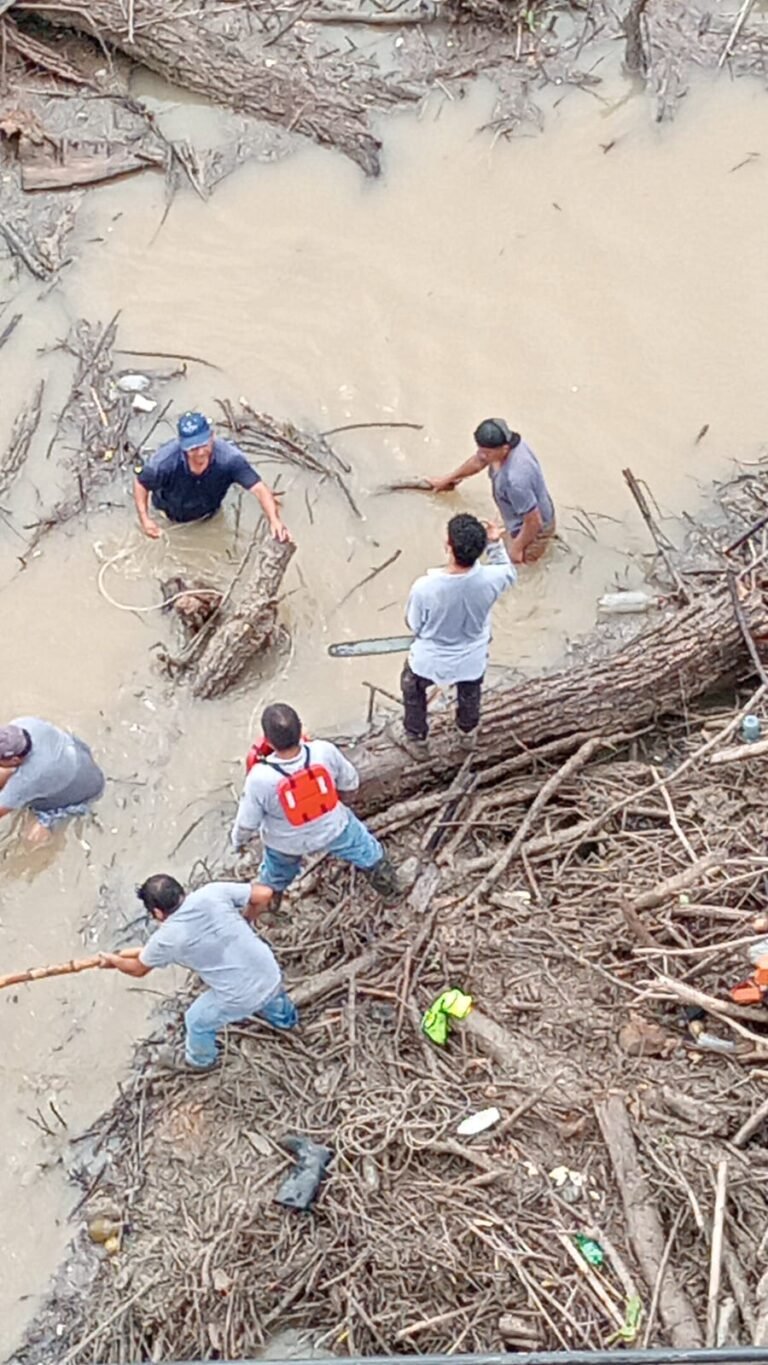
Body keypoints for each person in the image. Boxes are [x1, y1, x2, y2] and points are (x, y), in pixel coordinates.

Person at [99, 875, 296, 1073]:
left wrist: (113, 961)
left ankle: (201, 1061)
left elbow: (137, 969)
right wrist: (246, 918)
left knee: (196, 1020)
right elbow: (264, 894)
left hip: (241, 996)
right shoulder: (213, 892)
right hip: (269, 971)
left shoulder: (165, 939)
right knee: (270, 992)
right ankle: (287, 1022)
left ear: (157, 913)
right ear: (181, 892)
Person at [231, 703, 400, 901]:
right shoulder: (323, 751)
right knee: (370, 854)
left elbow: (246, 824)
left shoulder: (259, 778)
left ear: (267, 740)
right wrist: (343, 806)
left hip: (286, 843)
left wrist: (238, 844)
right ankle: (391, 893)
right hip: (333, 828)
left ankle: (271, 906)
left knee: (273, 877)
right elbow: (350, 782)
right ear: (301, 728)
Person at [394, 514, 516, 753]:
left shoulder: (425, 587)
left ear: (448, 547)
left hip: (430, 659)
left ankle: (417, 739)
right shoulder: (493, 579)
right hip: (472, 658)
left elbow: (414, 624)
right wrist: (495, 543)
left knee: (412, 687)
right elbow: (507, 569)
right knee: (470, 694)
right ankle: (467, 734)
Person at [133, 410, 290, 542]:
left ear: (212, 436)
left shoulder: (230, 459)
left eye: (203, 445)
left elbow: (259, 489)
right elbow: (141, 483)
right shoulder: (164, 463)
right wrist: (145, 519)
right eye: (193, 448)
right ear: (181, 444)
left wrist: (274, 520)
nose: (200, 453)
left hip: (209, 514)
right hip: (167, 514)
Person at [430, 418, 555, 564]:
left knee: (516, 568)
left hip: (534, 528)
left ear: (505, 449)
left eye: (487, 453)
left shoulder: (515, 481)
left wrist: (517, 549)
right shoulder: (506, 447)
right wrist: (448, 480)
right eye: (480, 450)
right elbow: (478, 461)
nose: (482, 455)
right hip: (523, 510)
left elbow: (534, 521)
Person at [0, 718, 105, 843]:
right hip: (80, 757)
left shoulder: (28, 779)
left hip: (83, 794)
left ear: (15, 760)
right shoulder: (24, 723)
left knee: (31, 838)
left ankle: (51, 827)